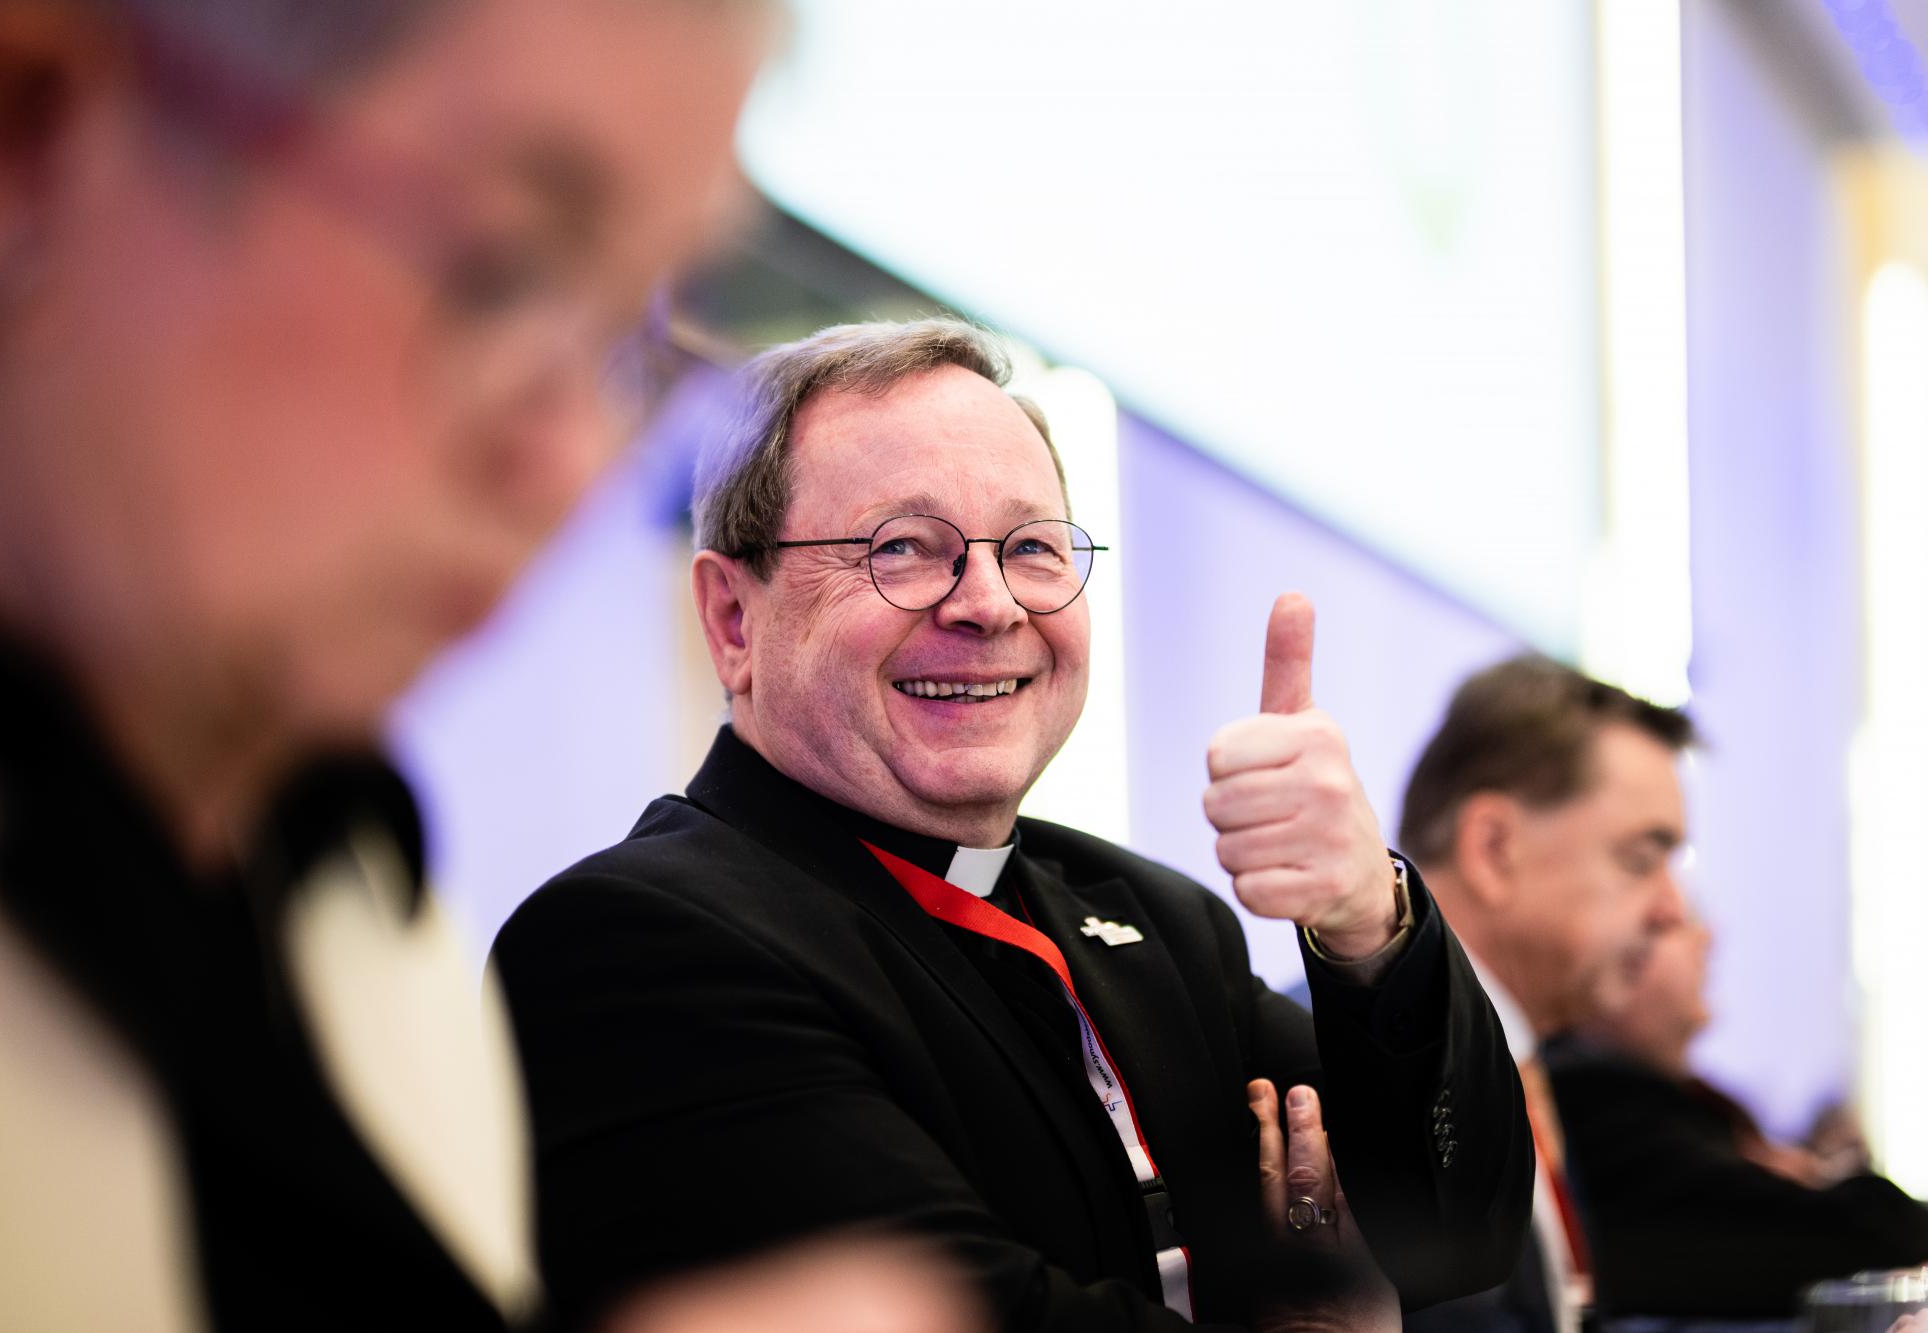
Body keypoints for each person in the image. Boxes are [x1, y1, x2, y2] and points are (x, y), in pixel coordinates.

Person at [0, 1, 783, 1328]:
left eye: (628, 340)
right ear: (26, 143)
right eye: (500, 267)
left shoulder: (371, 920)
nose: (567, 463)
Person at [492, 318, 1534, 1331]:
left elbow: (1453, 1234)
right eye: (903, 547)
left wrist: (1364, 919)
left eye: (1031, 547)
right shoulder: (636, 945)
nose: (988, 603)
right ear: (732, 618)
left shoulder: (1157, 923)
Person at [1393, 654, 1694, 1333]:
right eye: (1642, 859)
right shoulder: (1356, 1069)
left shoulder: (1517, 1063)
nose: (1675, 909)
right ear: (1494, 847)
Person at [1548, 912, 1928, 1320]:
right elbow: (1864, 1237)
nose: (1706, 938)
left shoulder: (1668, 1104)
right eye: (1663, 927)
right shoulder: (1597, 1111)